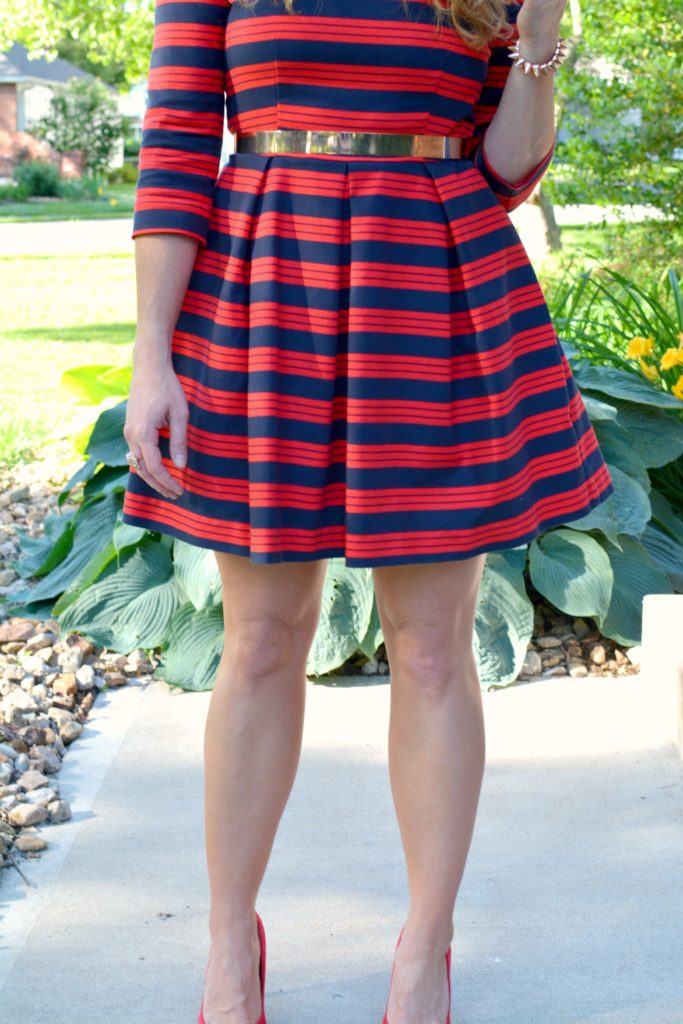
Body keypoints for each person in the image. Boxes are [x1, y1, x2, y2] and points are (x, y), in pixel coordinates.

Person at [121, 0, 613, 1021]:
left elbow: (506, 170)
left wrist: (541, 33)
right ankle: (228, 943)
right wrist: (150, 354)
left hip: (433, 286)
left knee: (431, 645)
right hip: (264, 284)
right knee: (260, 639)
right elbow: (174, 143)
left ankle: (423, 950)